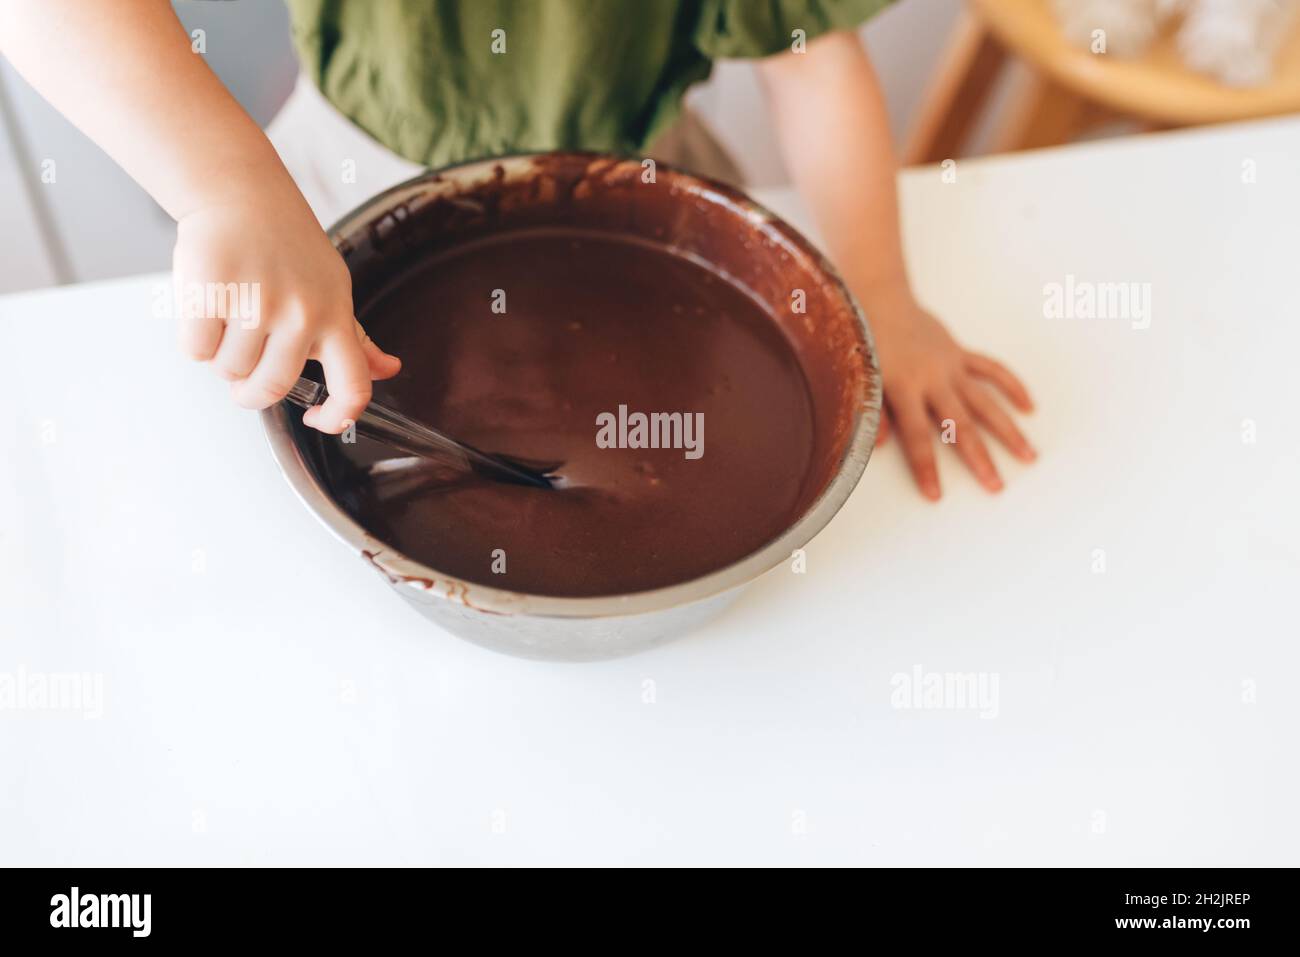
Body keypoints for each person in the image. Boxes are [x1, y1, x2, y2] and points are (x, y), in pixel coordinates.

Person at [0, 0, 1036, 499]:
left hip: (644, 186)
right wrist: (226, 184)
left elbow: (809, 63)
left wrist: (885, 299)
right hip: (317, 200)